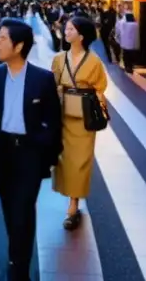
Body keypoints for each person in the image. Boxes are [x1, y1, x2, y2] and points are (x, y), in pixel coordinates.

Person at [0, 18, 62, 281]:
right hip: (1, 150)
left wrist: (46, 153)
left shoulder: (42, 78)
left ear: (19, 45)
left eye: (3, 38)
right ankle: (17, 250)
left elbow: (53, 121)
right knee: (8, 206)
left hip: (29, 152)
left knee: (23, 207)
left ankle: (19, 265)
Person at [51, 15, 107, 230]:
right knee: (64, 160)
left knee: (80, 161)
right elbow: (52, 83)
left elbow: (101, 86)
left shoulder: (94, 61)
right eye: (66, 29)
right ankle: (71, 199)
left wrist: (96, 104)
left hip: (84, 119)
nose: (66, 32)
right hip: (63, 115)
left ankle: (73, 204)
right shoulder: (58, 59)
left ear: (81, 36)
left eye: (71, 30)